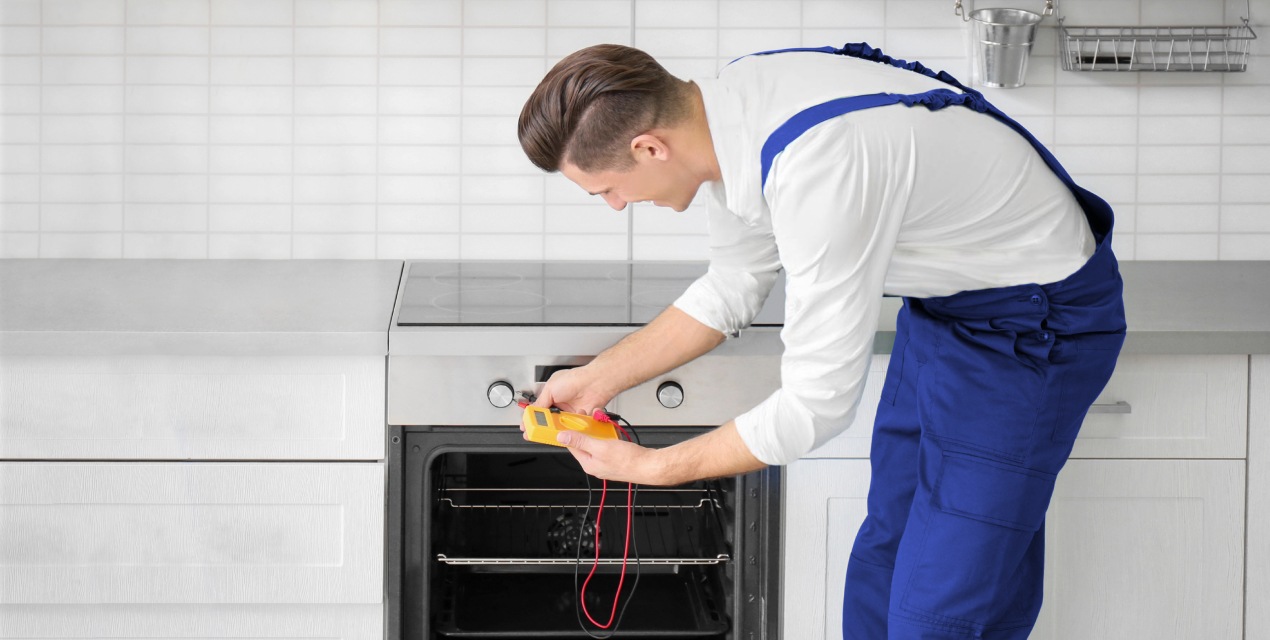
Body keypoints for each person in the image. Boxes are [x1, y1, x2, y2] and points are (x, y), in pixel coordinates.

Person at [517, 42, 1126, 640]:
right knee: (887, 554)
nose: (617, 206)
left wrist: (655, 468)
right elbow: (732, 285)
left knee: (945, 605)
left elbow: (815, 406)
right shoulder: (725, 119)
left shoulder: (822, 162)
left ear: (649, 147)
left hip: (1036, 326)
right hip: (949, 309)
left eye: (606, 189)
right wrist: (593, 381)